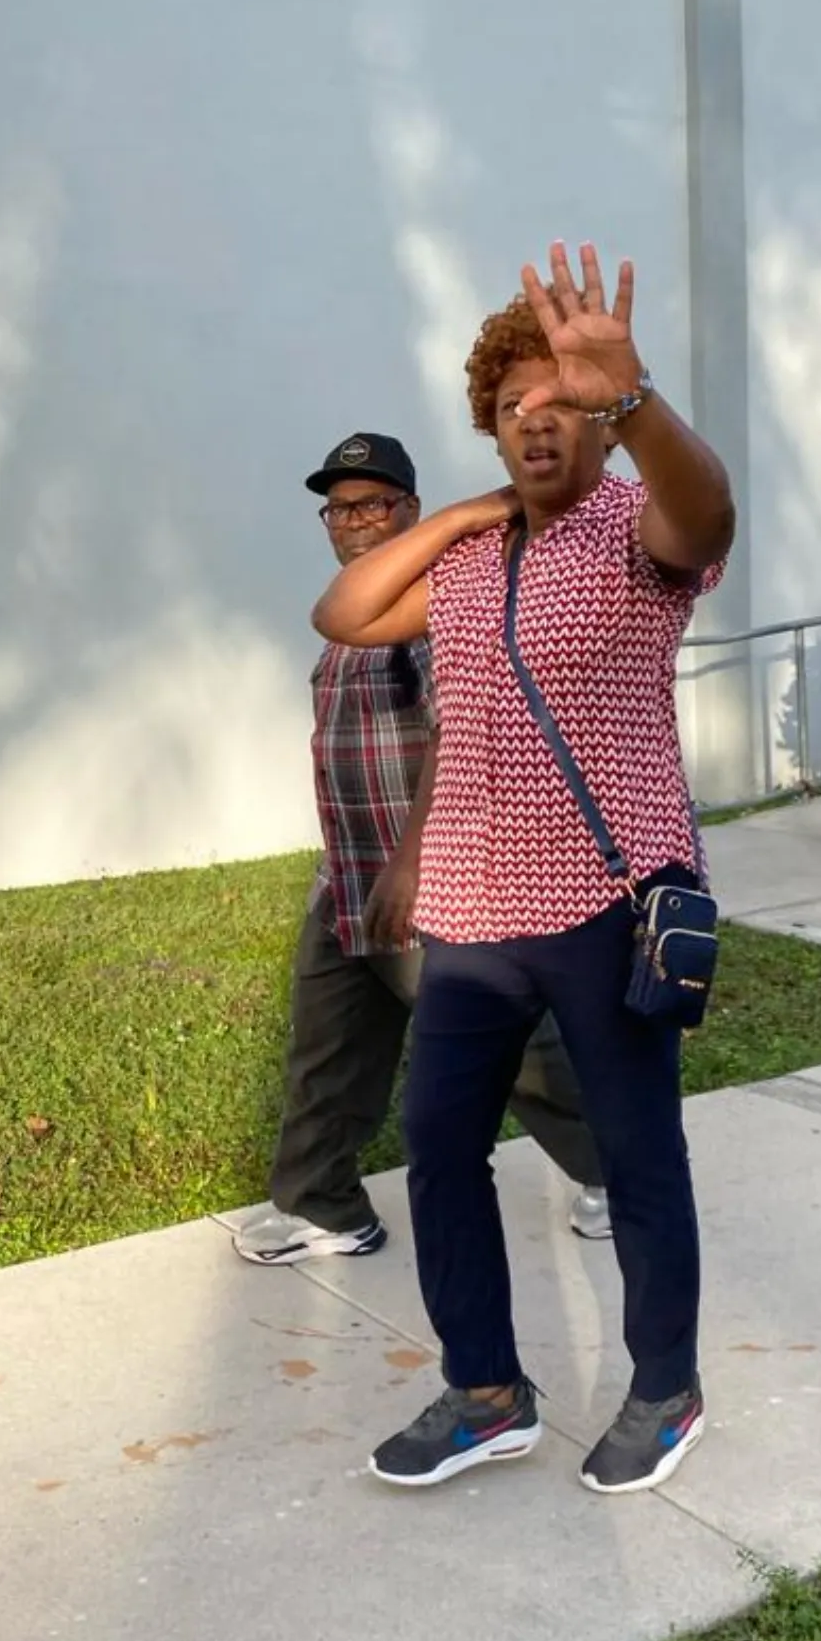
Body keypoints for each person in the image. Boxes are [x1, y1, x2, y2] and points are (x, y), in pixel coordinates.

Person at [312, 243, 735, 1495]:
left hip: (606, 906)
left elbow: (708, 511)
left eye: (561, 404)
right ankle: (486, 1391)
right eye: (512, 407)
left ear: (598, 423)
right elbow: (344, 613)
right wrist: (460, 516)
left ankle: (666, 1386)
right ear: (489, 429)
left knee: (639, 1153)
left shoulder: (637, 533)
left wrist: (634, 395)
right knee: (440, 1148)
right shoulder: (468, 558)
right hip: (473, 914)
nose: (536, 423)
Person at [234, 430, 610, 1268]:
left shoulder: (440, 604)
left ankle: (617, 1170)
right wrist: (354, 870)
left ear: (409, 509)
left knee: (510, 1046)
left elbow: (456, 733)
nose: (352, 522)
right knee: (327, 1050)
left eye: (371, 504)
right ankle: (323, 1207)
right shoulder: (353, 614)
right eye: (338, 510)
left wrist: (410, 866)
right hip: (348, 877)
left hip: (427, 880)